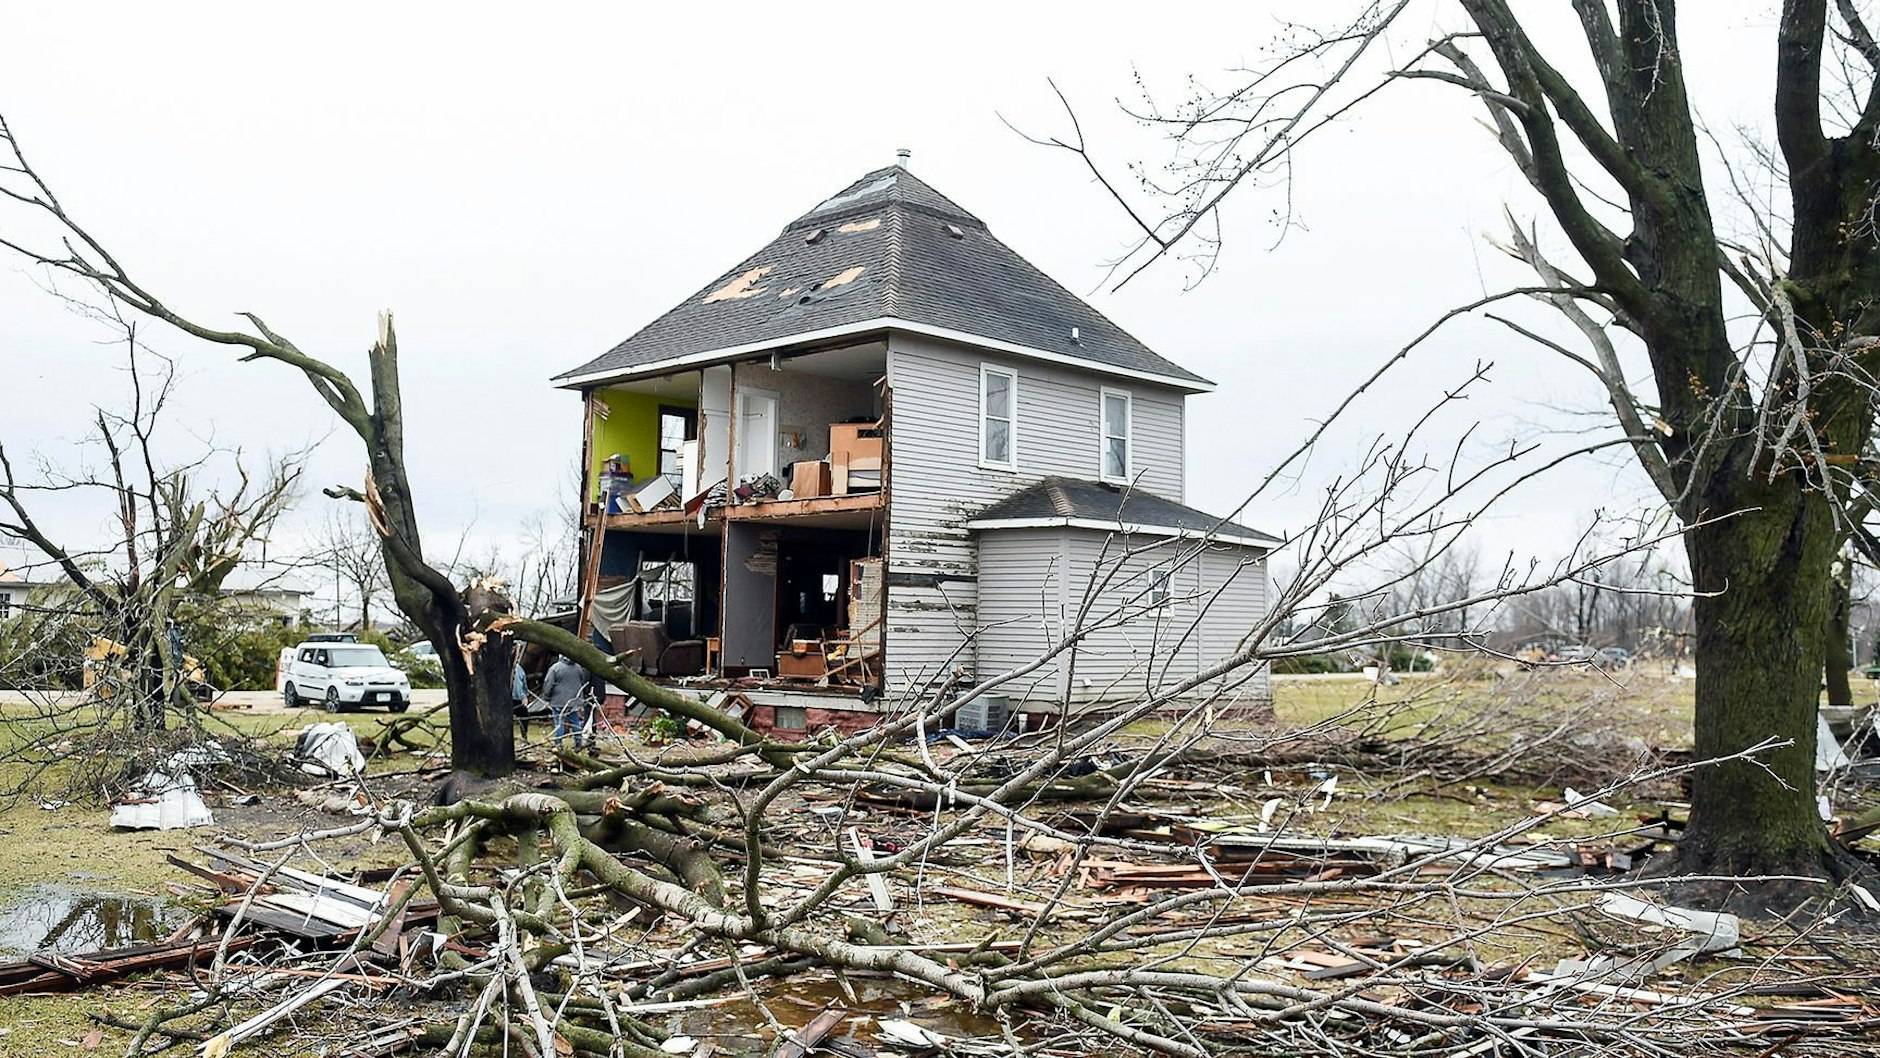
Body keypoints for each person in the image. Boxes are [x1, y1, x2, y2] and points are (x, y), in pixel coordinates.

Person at [539, 653, 591, 751]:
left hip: (558, 701)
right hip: (574, 701)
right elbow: (582, 681)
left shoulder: (555, 668)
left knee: (559, 723)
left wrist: (547, 696)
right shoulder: (578, 668)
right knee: (575, 722)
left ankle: (558, 744)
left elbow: (548, 683)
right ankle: (578, 743)